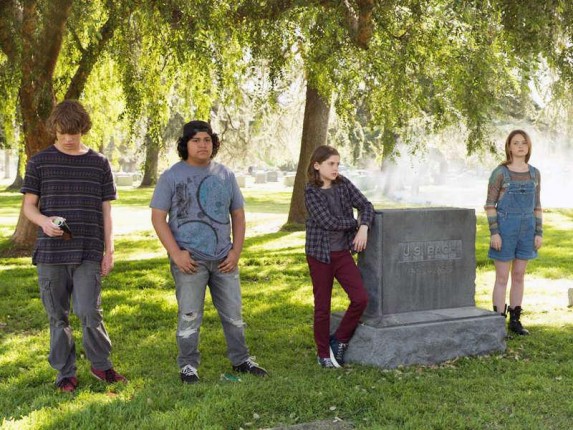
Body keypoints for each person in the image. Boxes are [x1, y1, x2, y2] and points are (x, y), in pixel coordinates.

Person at [20, 100, 127, 393]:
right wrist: (43, 222)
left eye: (74, 133)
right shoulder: (39, 162)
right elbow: (29, 206)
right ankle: (65, 372)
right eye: (62, 132)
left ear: (83, 129)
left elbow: (106, 211)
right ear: (54, 129)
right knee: (58, 316)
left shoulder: (99, 163)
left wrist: (109, 250)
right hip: (51, 254)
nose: (68, 138)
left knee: (90, 311)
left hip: (88, 251)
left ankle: (101, 365)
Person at [150, 120, 268, 383]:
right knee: (190, 314)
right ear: (185, 145)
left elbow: (238, 215)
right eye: (196, 140)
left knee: (234, 315)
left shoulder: (225, 175)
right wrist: (176, 254)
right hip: (190, 259)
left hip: (224, 258)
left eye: (207, 140)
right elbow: (158, 218)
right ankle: (188, 365)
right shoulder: (171, 176)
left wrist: (236, 252)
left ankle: (241, 360)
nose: (202, 145)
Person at [304, 145, 375, 368]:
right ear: (317, 165)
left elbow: (366, 205)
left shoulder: (343, 184)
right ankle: (323, 353)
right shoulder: (311, 191)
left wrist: (364, 227)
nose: (335, 168)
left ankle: (340, 339)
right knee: (322, 306)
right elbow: (328, 222)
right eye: (331, 164)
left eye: (337, 164)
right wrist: (354, 223)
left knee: (360, 298)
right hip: (320, 255)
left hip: (342, 253)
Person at [485, 129, 543, 335]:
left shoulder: (535, 173)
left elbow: (537, 206)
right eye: (516, 143)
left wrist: (539, 232)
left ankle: (515, 321)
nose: (520, 146)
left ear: (529, 147)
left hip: (527, 229)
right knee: (502, 277)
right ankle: (498, 323)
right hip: (504, 230)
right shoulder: (500, 173)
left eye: (524, 143)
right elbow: (490, 205)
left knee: (518, 275)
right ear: (509, 147)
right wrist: (494, 232)